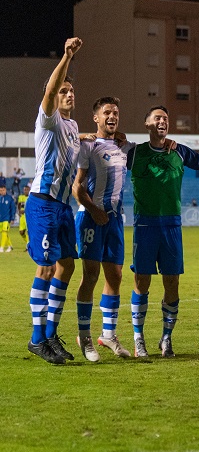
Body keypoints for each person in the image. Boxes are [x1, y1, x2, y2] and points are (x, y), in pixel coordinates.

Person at [129, 105, 199, 357]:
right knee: (141, 281)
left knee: (172, 283)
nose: (162, 121)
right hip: (145, 225)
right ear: (147, 124)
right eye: (157, 118)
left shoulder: (179, 151)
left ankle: (166, 338)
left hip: (171, 226)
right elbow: (104, 150)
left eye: (166, 119)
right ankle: (138, 339)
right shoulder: (134, 153)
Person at [25, 37, 83, 364]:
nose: (68, 93)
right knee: (46, 268)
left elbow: (77, 143)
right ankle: (37, 339)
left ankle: (50, 334)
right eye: (64, 90)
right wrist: (66, 56)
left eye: (71, 90)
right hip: (43, 202)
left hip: (63, 208)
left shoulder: (73, 127)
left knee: (67, 265)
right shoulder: (48, 118)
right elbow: (49, 92)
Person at [72, 97, 132, 361]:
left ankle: (108, 334)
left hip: (115, 220)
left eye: (116, 112)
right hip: (91, 217)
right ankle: (85, 337)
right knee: (91, 276)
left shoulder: (124, 146)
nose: (112, 116)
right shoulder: (88, 145)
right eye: (107, 112)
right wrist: (94, 210)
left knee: (115, 276)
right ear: (96, 117)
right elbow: (78, 186)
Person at [0, 184, 14, 252]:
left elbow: (13, 209)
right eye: (0, 190)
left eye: (3, 190)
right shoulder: (0, 198)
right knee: (4, 233)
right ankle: (9, 246)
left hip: (6, 218)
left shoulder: (9, 198)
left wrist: (12, 218)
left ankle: (1, 247)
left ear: (5, 190)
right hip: (0, 219)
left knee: (4, 232)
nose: (1, 192)